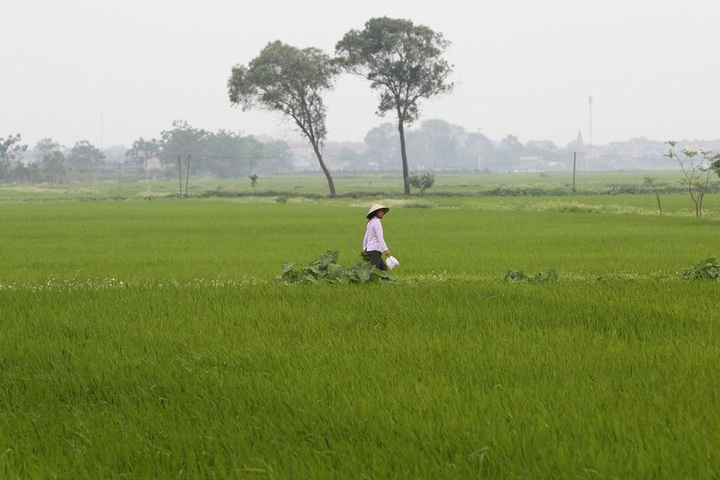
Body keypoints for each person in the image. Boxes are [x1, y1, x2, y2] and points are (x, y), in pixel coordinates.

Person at [362, 203, 391, 270]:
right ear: (376, 213)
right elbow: (380, 237)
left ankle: (387, 280)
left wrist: (364, 247)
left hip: (371, 250)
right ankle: (369, 280)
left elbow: (366, 235)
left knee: (384, 269)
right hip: (375, 250)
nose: (382, 213)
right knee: (373, 271)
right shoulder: (377, 222)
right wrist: (386, 250)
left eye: (383, 211)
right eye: (380, 211)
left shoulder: (370, 222)